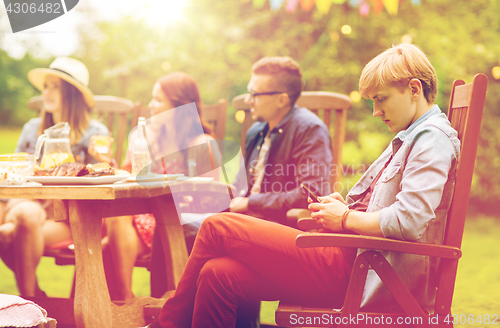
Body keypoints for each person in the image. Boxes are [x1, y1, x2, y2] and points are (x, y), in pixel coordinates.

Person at [149, 43, 460, 328]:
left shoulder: (430, 138)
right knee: (217, 274)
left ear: (414, 89)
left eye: (381, 99)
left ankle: (169, 321)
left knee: (217, 226)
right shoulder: (413, 135)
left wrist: (345, 218)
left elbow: (409, 220)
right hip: (347, 253)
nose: (376, 111)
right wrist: (344, 208)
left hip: (361, 267)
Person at [96, 72, 222, 301]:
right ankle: (126, 302)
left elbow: (210, 202)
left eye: (158, 100)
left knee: (103, 248)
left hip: (174, 223)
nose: (151, 106)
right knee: (103, 240)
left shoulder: (201, 143)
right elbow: (128, 174)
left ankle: (125, 304)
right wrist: (107, 164)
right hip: (142, 219)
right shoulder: (148, 140)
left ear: (180, 106)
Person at [0, 57, 109, 297]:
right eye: (45, 86)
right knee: (26, 215)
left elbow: (103, 178)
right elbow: (16, 173)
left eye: (55, 86)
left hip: (71, 219)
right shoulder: (32, 128)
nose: (46, 92)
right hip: (29, 206)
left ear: (72, 94)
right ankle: (34, 299)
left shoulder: (95, 133)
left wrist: (101, 160)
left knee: (6, 234)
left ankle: (31, 302)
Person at [230, 56, 332, 225]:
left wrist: (250, 202)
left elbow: (310, 193)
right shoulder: (256, 132)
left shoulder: (310, 130)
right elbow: (240, 185)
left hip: (279, 226)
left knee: (197, 228)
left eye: (254, 94)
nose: (248, 101)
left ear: (282, 99)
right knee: (179, 222)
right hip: (244, 220)